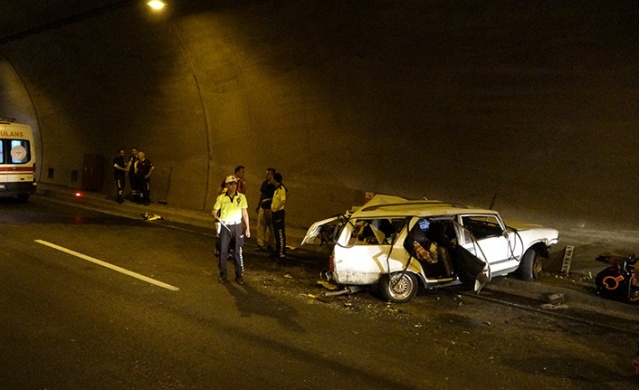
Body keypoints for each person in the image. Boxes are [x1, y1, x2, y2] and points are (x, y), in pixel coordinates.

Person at [212, 175, 250, 284]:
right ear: (227, 185)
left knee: (238, 252)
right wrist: (215, 215)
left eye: (235, 184)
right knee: (223, 251)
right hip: (225, 226)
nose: (234, 186)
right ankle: (223, 275)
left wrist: (247, 228)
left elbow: (245, 213)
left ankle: (239, 275)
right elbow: (214, 210)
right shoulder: (221, 198)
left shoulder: (241, 197)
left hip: (237, 226)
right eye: (231, 184)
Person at [256, 168, 276, 252]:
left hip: (270, 208)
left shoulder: (275, 185)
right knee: (260, 226)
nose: (266, 175)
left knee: (271, 228)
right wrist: (258, 205)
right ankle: (260, 244)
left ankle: (271, 244)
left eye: (268, 174)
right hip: (263, 207)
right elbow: (262, 194)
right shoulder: (264, 183)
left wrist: (268, 200)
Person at [270, 172, 287, 259]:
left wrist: (276, 208)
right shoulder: (276, 189)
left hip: (279, 213)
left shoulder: (281, 189)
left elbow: (283, 201)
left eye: (272, 178)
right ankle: (277, 252)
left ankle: (281, 252)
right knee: (276, 233)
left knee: (280, 233)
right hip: (275, 213)